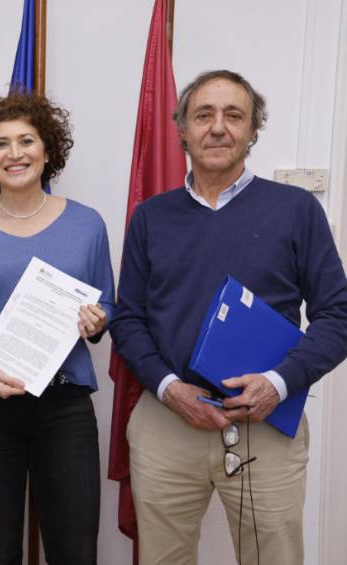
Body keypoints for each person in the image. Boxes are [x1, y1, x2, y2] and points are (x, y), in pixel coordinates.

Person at [110, 69, 347, 565]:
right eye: (204, 115)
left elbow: (337, 314)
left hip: (265, 422)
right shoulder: (151, 217)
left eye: (234, 115)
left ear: (253, 130)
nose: (218, 127)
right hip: (167, 421)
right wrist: (170, 388)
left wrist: (278, 384)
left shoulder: (296, 209)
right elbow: (128, 319)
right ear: (182, 129)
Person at [0, 93, 115, 565]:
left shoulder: (87, 224)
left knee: (75, 551)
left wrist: (97, 322)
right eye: (1, 144)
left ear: (47, 150)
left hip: (64, 407)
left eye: (27, 141)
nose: (15, 153)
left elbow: (106, 305)